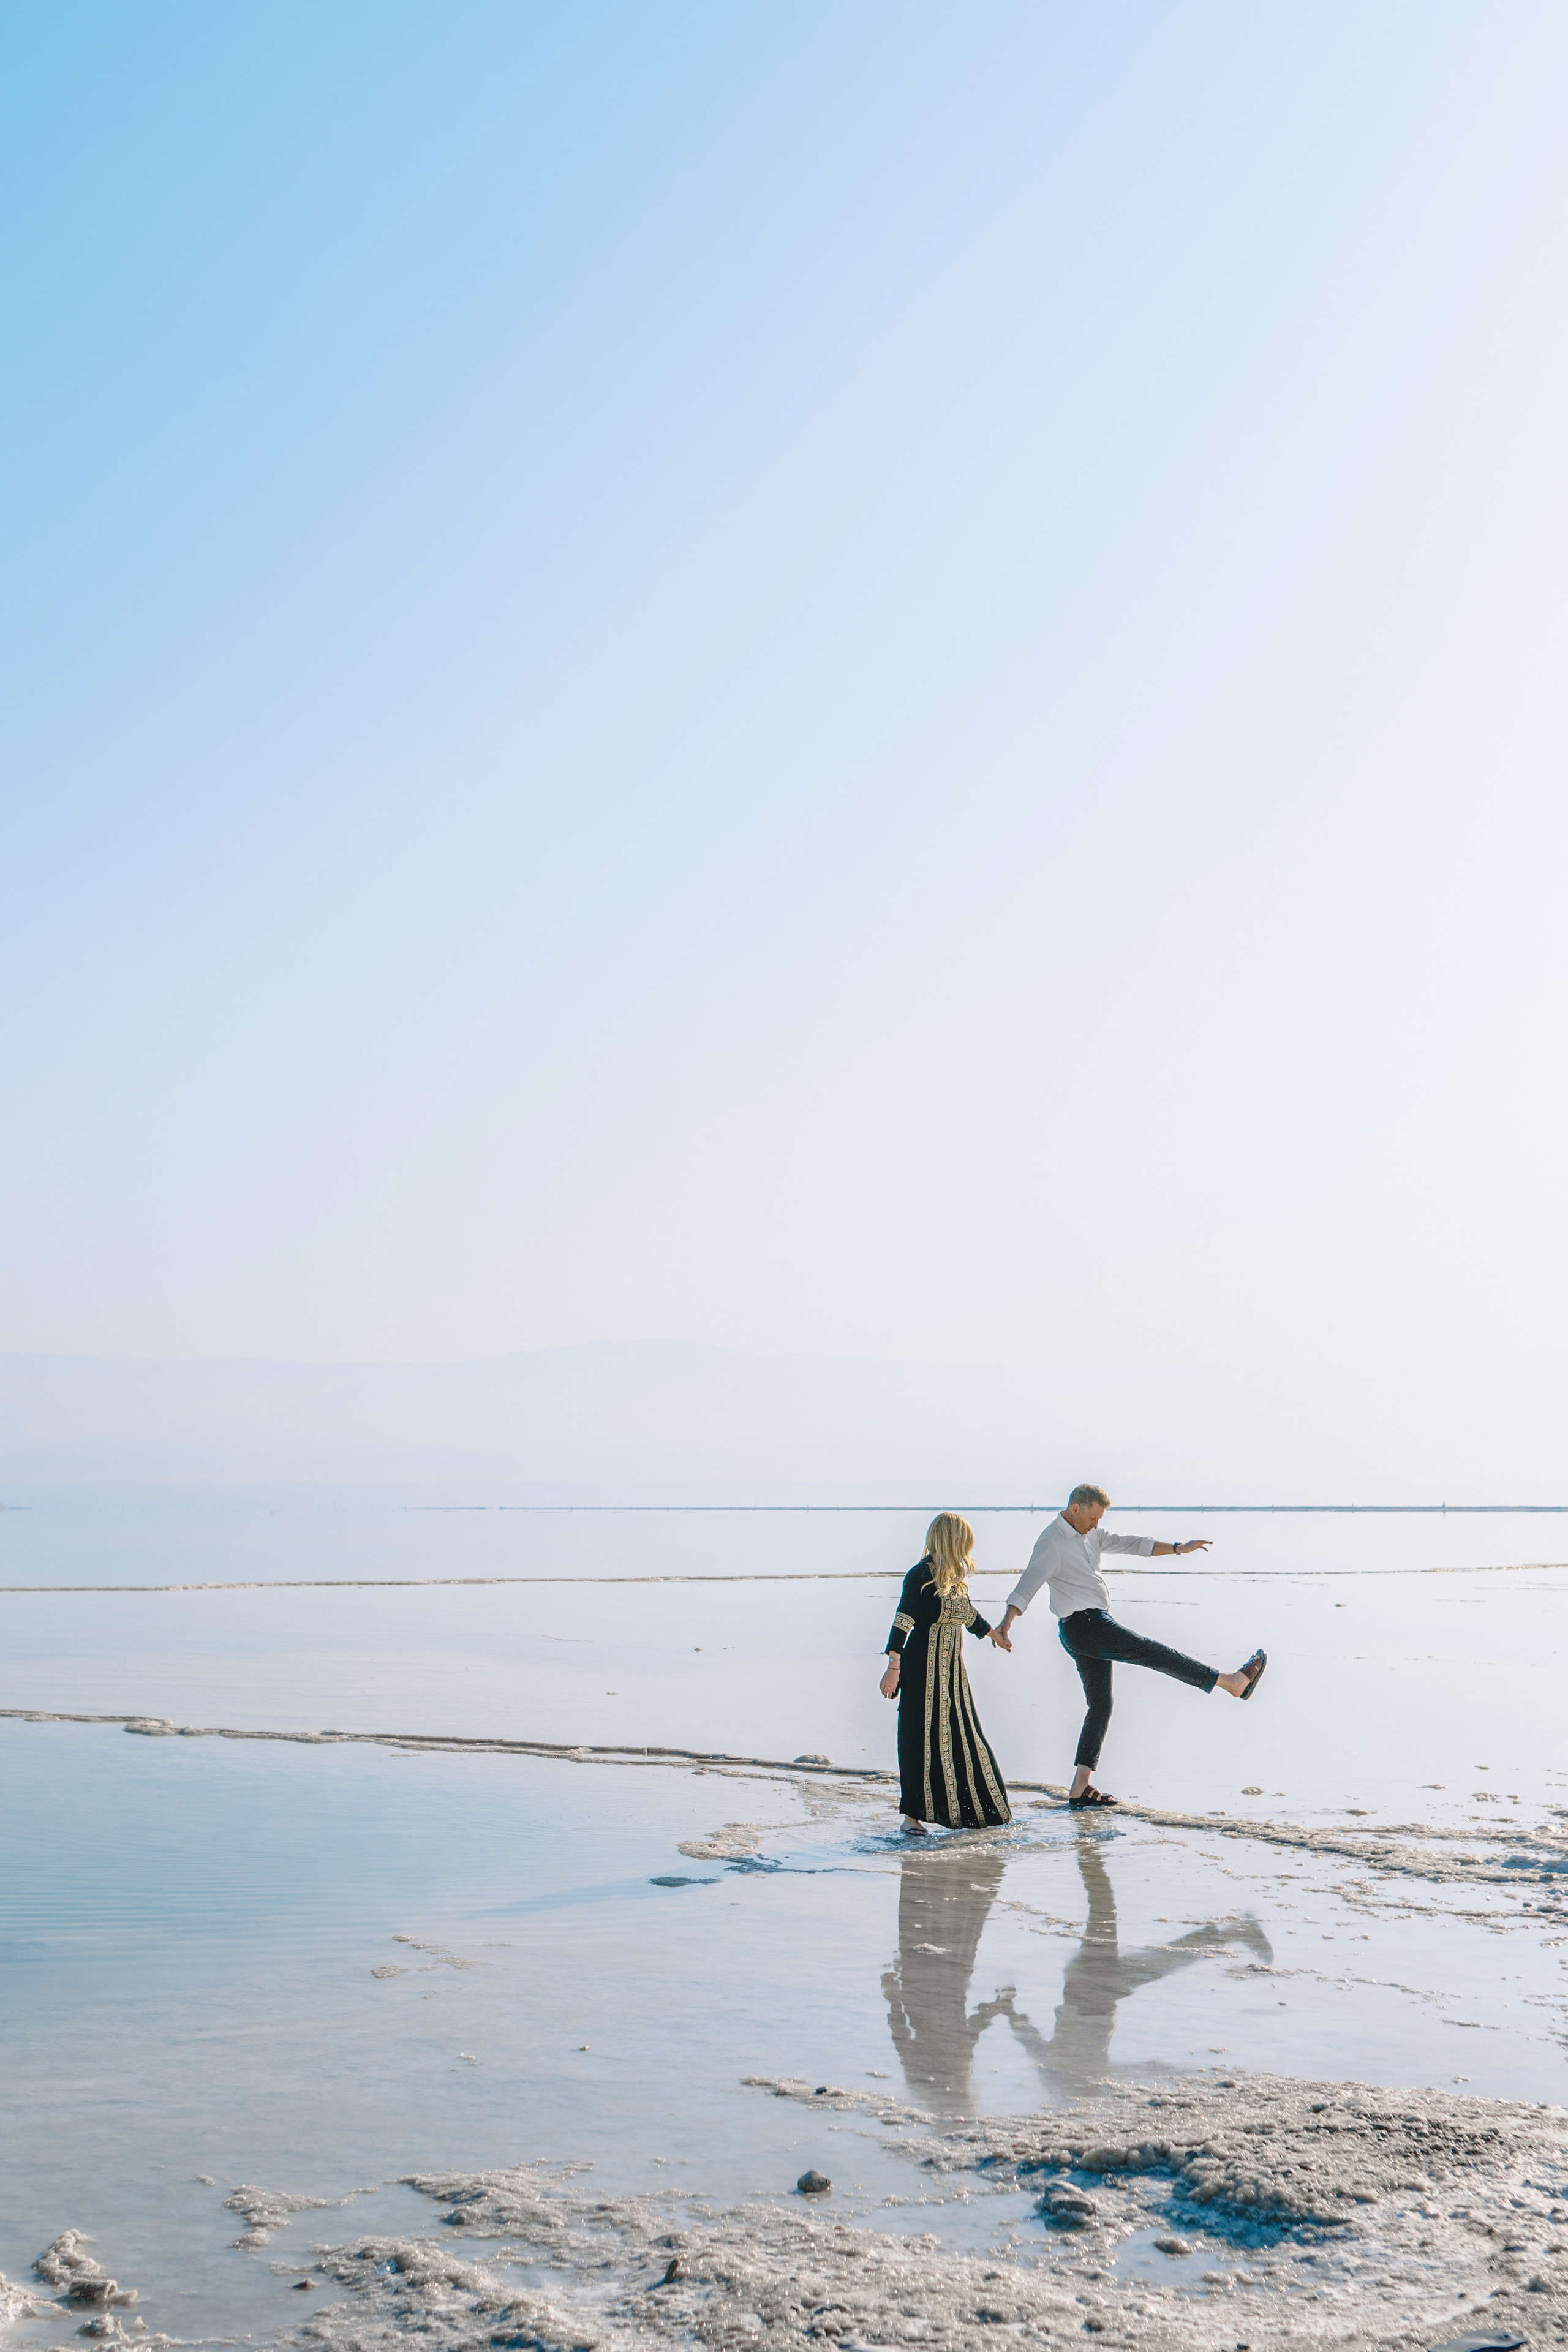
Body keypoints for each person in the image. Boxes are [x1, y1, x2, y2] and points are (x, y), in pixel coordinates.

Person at [992, 1484, 1265, 1808]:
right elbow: (1028, 1584)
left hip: (1083, 1631)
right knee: (1154, 1652)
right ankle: (1230, 1683)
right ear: (1076, 1509)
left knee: (1101, 1705)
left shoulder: (1091, 1532)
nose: (1096, 1525)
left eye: (1100, 1519)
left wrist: (1178, 1548)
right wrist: (1007, 1623)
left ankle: (1080, 1787)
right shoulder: (1051, 1542)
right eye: (1093, 1518)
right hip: (1086, 1626)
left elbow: (1133, 1544)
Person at [880, 1512, 1012, 1834]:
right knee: (918, 1741)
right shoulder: (919, 1576)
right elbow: (903, 1623)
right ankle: (911, 1817)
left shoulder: (953, 1578)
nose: (968, 1546)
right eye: (964, 1540)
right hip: (921, 1673)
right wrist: (892, 1668)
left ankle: (976, 1813)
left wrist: (995, 1634)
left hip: (952, 1677)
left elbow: (969, 1616)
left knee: (964, 1738)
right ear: (952, 1539)